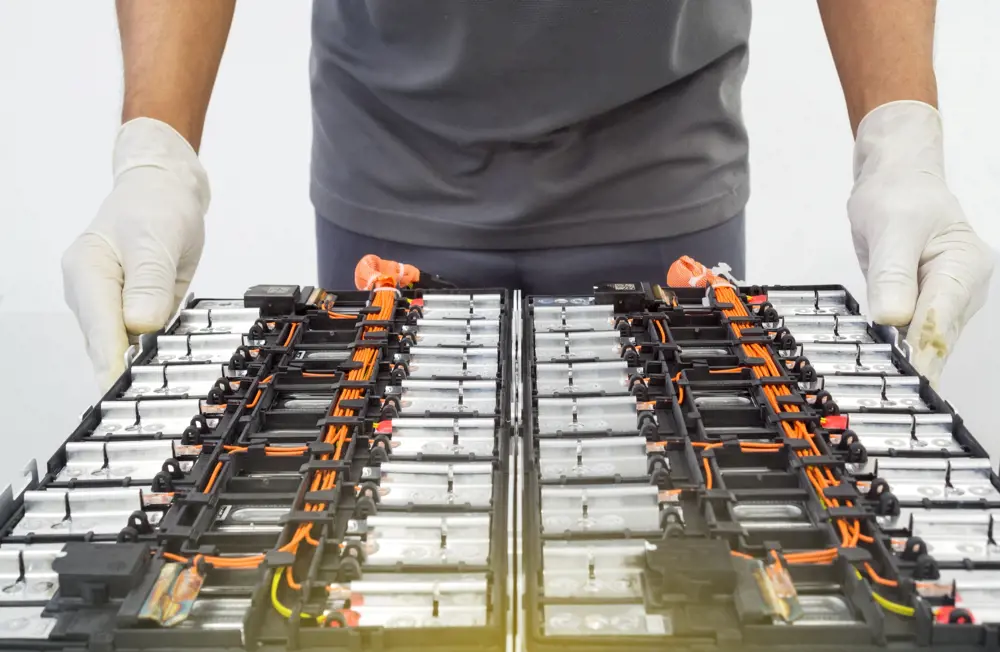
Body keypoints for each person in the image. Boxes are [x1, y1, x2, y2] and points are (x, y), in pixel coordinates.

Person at [62, 1, 993, 391]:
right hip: (390, 168)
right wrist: (156, 151)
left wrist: (900, 138)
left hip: (664, 167)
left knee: (682, 569)